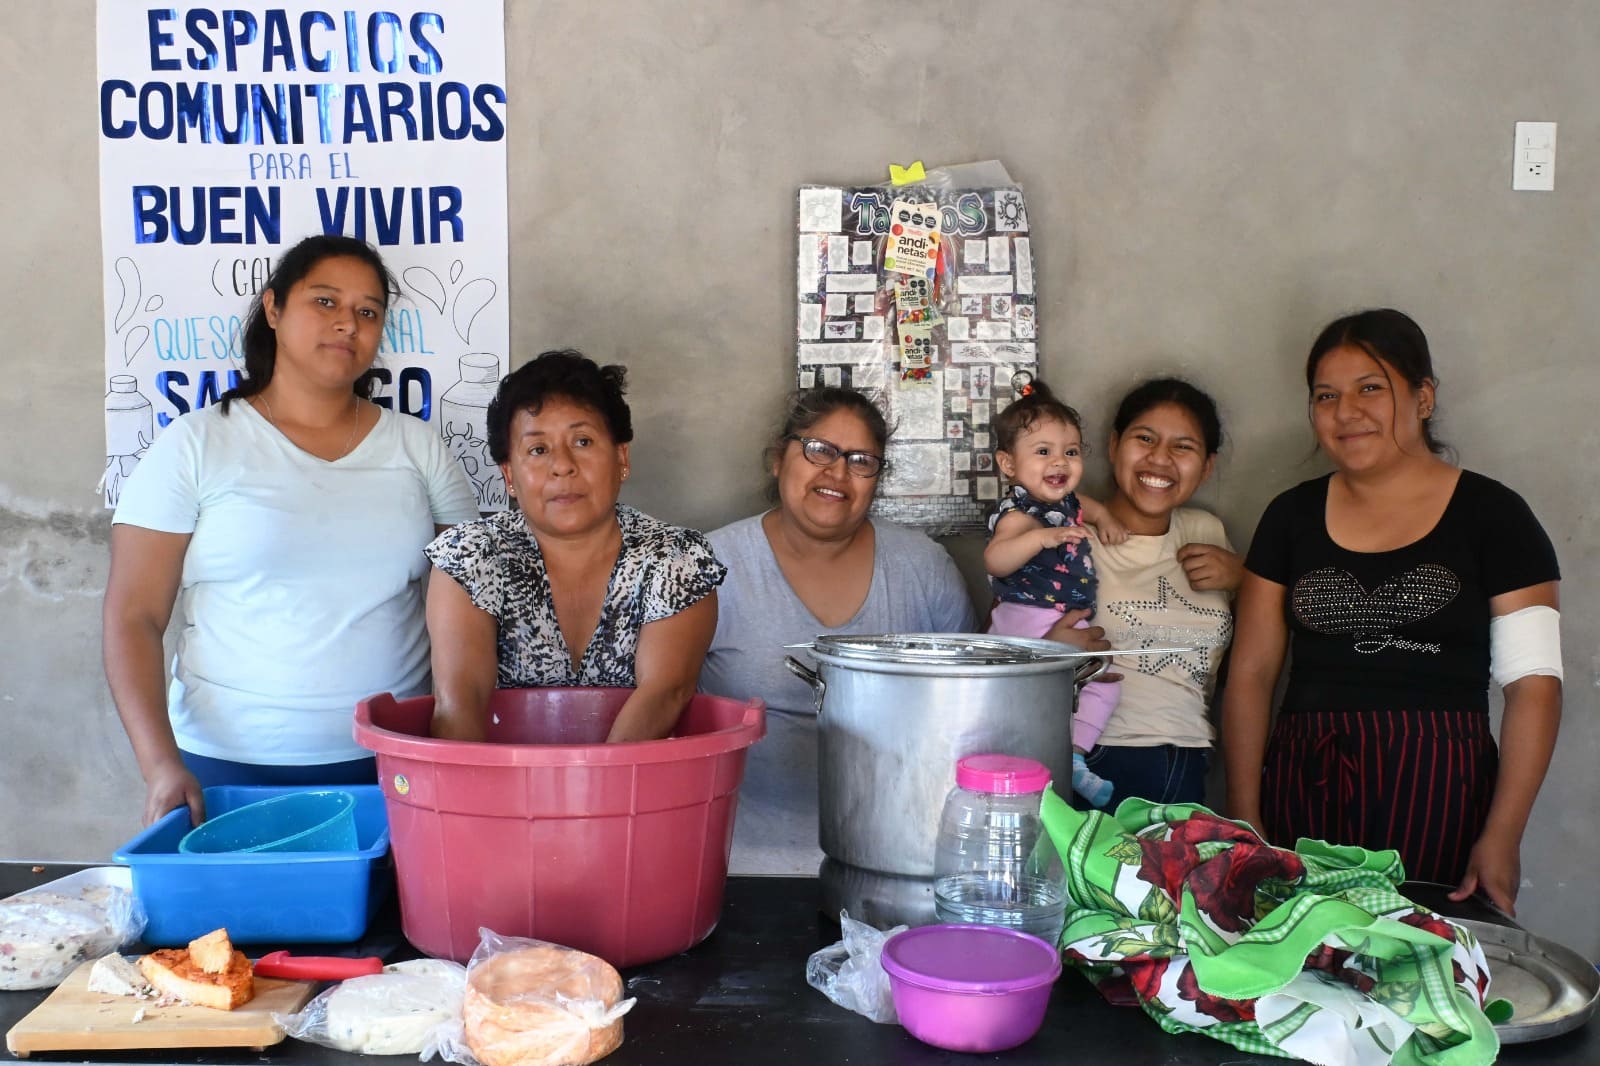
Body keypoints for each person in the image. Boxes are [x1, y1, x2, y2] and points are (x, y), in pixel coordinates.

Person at [104, 234, 480, 827]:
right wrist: (159, 764)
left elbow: (469, 600)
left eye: (367, 311)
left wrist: (454, 738)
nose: (347, 325)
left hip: (391, 763)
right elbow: (133, 617)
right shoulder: (197, 443)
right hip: (226, 769)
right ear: (274, 308)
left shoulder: (418, 447)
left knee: (398, 922)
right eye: (324, 302)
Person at [1221, 309, 1561, 914]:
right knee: (1300, 965)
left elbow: (1534, 687)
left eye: (1370, 388)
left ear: (1423, 397)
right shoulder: (1289, 517)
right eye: (1326, 395)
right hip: (1303, 779)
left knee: (1423, 967)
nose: (1346, 412)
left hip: (1439, 787)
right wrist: (1246, 817)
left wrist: (1503, 835)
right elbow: (1250, 676)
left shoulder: (1496, 516)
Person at [698, 388, 977, 874]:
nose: (837, 473)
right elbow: (665, 710)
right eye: (818, 450)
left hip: (901, 863)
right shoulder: (709, 566)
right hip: (738, 865)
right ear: (777, 459)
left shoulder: (923, 566)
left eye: (861, 460)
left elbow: (970, 712)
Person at [424, 350, 725, 743]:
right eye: (538, 449)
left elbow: (666, 692)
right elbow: (458, 704)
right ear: (509, 476)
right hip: (498, 795)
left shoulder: (674, 557)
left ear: (621, 458)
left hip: (637, 793)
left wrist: (592, 793)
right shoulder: (470, 557)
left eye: (582, 441)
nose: (562, 465)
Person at [1045, 377, 1241, 810]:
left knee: (1171, 881)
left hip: (1189, 756)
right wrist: (1044, 652)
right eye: (1145, 439)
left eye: (1183, 447)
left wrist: (1246, 577)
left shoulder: (1207, 530)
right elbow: (994, 643)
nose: (1159, 459)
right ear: (1114, 445)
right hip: (1094, 758)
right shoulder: (1066, 535)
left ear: (1207, 466)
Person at [984, 379, 1126, 806]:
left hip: (1063, 617)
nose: (1059, 462)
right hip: (1024, 618)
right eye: (1042, 452)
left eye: (1071, 451)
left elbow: (1090, 505)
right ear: (1008, 465)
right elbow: (996, 559)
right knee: (1028, 696)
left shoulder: (1070, 502)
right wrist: (1038, 541)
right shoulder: (1019, 514)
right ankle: (1030, 763)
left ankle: (1073, 758)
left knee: (1102, 683)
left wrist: (1106, 520)